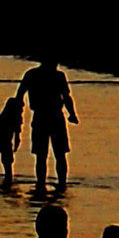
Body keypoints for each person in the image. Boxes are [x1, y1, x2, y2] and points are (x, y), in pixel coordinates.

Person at [14, 58, 78, 188]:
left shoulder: (32, 74)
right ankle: (58, 185)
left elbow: (20, 95)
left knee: (47, 155)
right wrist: (72, 114)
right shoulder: (57, 76)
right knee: (54, 154)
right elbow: (66, 97)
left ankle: (44, 184)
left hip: (44, 117)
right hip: (50, 117)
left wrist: (72, 114)